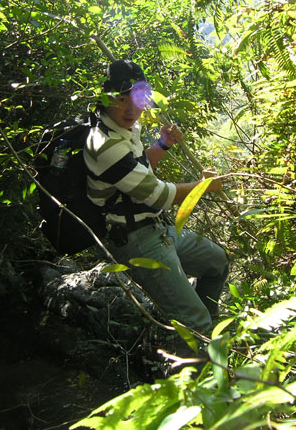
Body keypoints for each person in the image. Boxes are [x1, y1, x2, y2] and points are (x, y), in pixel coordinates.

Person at [84, 59, 229, 358]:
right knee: (194, 321)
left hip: (157, 229)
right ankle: (193, 371)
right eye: (121, 99)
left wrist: (161, 145)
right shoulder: (103, 144)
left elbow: (137, 168)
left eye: (136, 100)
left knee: (217, 263)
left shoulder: (124, 129)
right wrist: (203, 186)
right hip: (136, 241)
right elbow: (158, 196)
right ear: (105, 98)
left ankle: (198, 334)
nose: (130, 109)